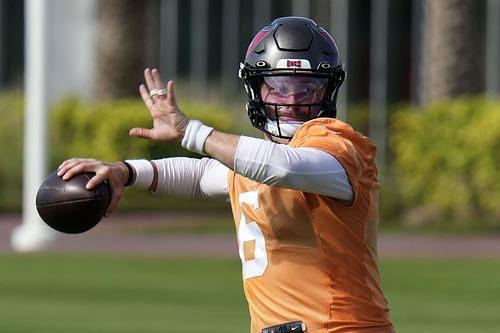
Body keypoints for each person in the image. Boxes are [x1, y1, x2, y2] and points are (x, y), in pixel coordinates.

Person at [58, 16, 394, 333]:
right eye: (278, 86)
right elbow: (206, 174)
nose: (292, 99)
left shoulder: (337, 143)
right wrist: (126, 171)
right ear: (256, 88)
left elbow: (285, 166)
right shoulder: (248, 160)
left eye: (307, 87)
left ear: (328, 90)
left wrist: (193, 132)